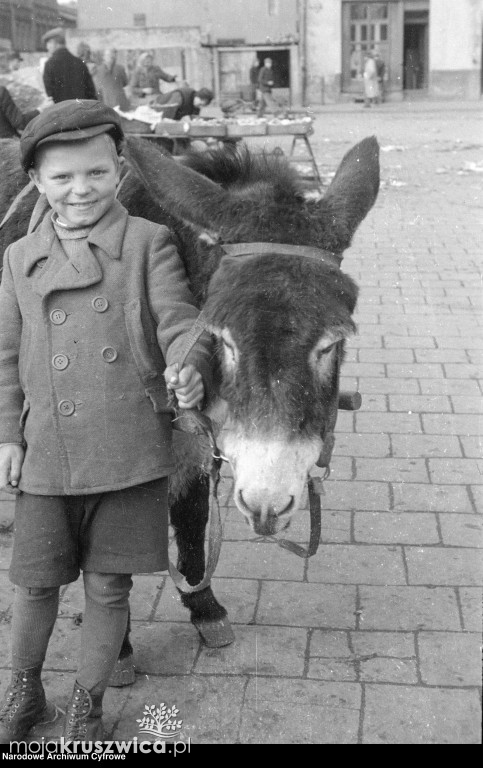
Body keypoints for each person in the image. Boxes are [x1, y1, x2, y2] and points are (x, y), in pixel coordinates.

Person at [0, 99, 213, 743]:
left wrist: (189, 363)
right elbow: (5, 357)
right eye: (61, 177)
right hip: (47, 448)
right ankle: (24, 692)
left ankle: (86, 705)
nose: (80, 189)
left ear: (118, 169)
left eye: (95, 172)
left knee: (108, 586)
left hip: (128, 447)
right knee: (34, 584)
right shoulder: (19, 257)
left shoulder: (148, 242)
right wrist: (7, 435)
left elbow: (179, 322)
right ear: (36, 181)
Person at [42, 27, 97, 103]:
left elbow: (50, 96)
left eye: (48, 43)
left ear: (55, 43)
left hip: (61, 109)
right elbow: (91, 93)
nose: (47, 47)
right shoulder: (80, 63)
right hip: (81, 109)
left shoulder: (49, 64)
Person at [0, 53, 40, 138]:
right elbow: (19, 122)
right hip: (7, 139)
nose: (19, 64)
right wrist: (40, 110)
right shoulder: (5, 88)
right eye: (17, 61)